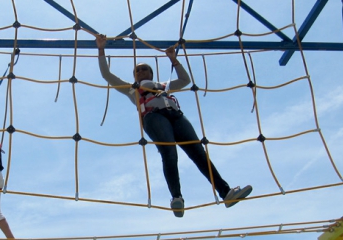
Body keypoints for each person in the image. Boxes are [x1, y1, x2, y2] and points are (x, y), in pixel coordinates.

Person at [95, 33, 252, 217]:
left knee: (199, 153)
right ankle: (176, 197)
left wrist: (174, 60)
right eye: (137, 70)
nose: (141, 72)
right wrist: (101, 49)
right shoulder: (132, 89)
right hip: (154, 118)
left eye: (144, 69)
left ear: (151, 73)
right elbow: (107, 75)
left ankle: (226, 193)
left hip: (176, 117)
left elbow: (185, 81)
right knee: (169, 153)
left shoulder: (163, 86)